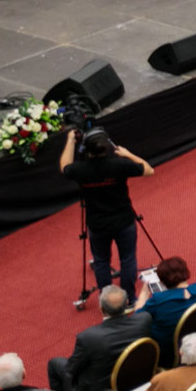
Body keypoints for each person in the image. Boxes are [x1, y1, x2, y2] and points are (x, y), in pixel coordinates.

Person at [60, 126, 154, 296]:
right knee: (128, 259)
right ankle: (130, 297)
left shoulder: (80, 169)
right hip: (124, 221)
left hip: (97, 224)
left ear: (86, 150)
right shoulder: (120, 164)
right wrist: (127, 154)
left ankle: (108, 301)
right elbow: (149, 170)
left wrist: (70, 140)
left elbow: (64, 166)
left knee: (101, 261)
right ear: (108, 147)